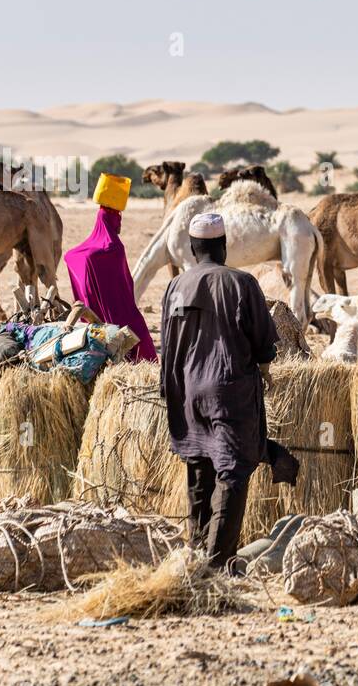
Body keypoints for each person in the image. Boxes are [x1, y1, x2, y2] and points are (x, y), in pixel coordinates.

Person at [159, 212, 282, 568]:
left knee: (199, 468)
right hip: (227, 392)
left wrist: (170, 390)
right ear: (223, 247)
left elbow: (166, 345)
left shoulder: (175, 286)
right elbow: (264, 344)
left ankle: (196, 556)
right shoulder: (242, 283)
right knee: (233, 470)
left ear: (194, 249)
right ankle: (217, 564)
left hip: (186, 390)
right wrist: (264, 367)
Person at [63, 173, 157, 362]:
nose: (120, 221)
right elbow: (124, 285)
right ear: (110, 220)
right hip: (122, 312)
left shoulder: (92, 250)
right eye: (117, 217)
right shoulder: (113, 247)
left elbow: (71, 255)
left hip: (97, 318)